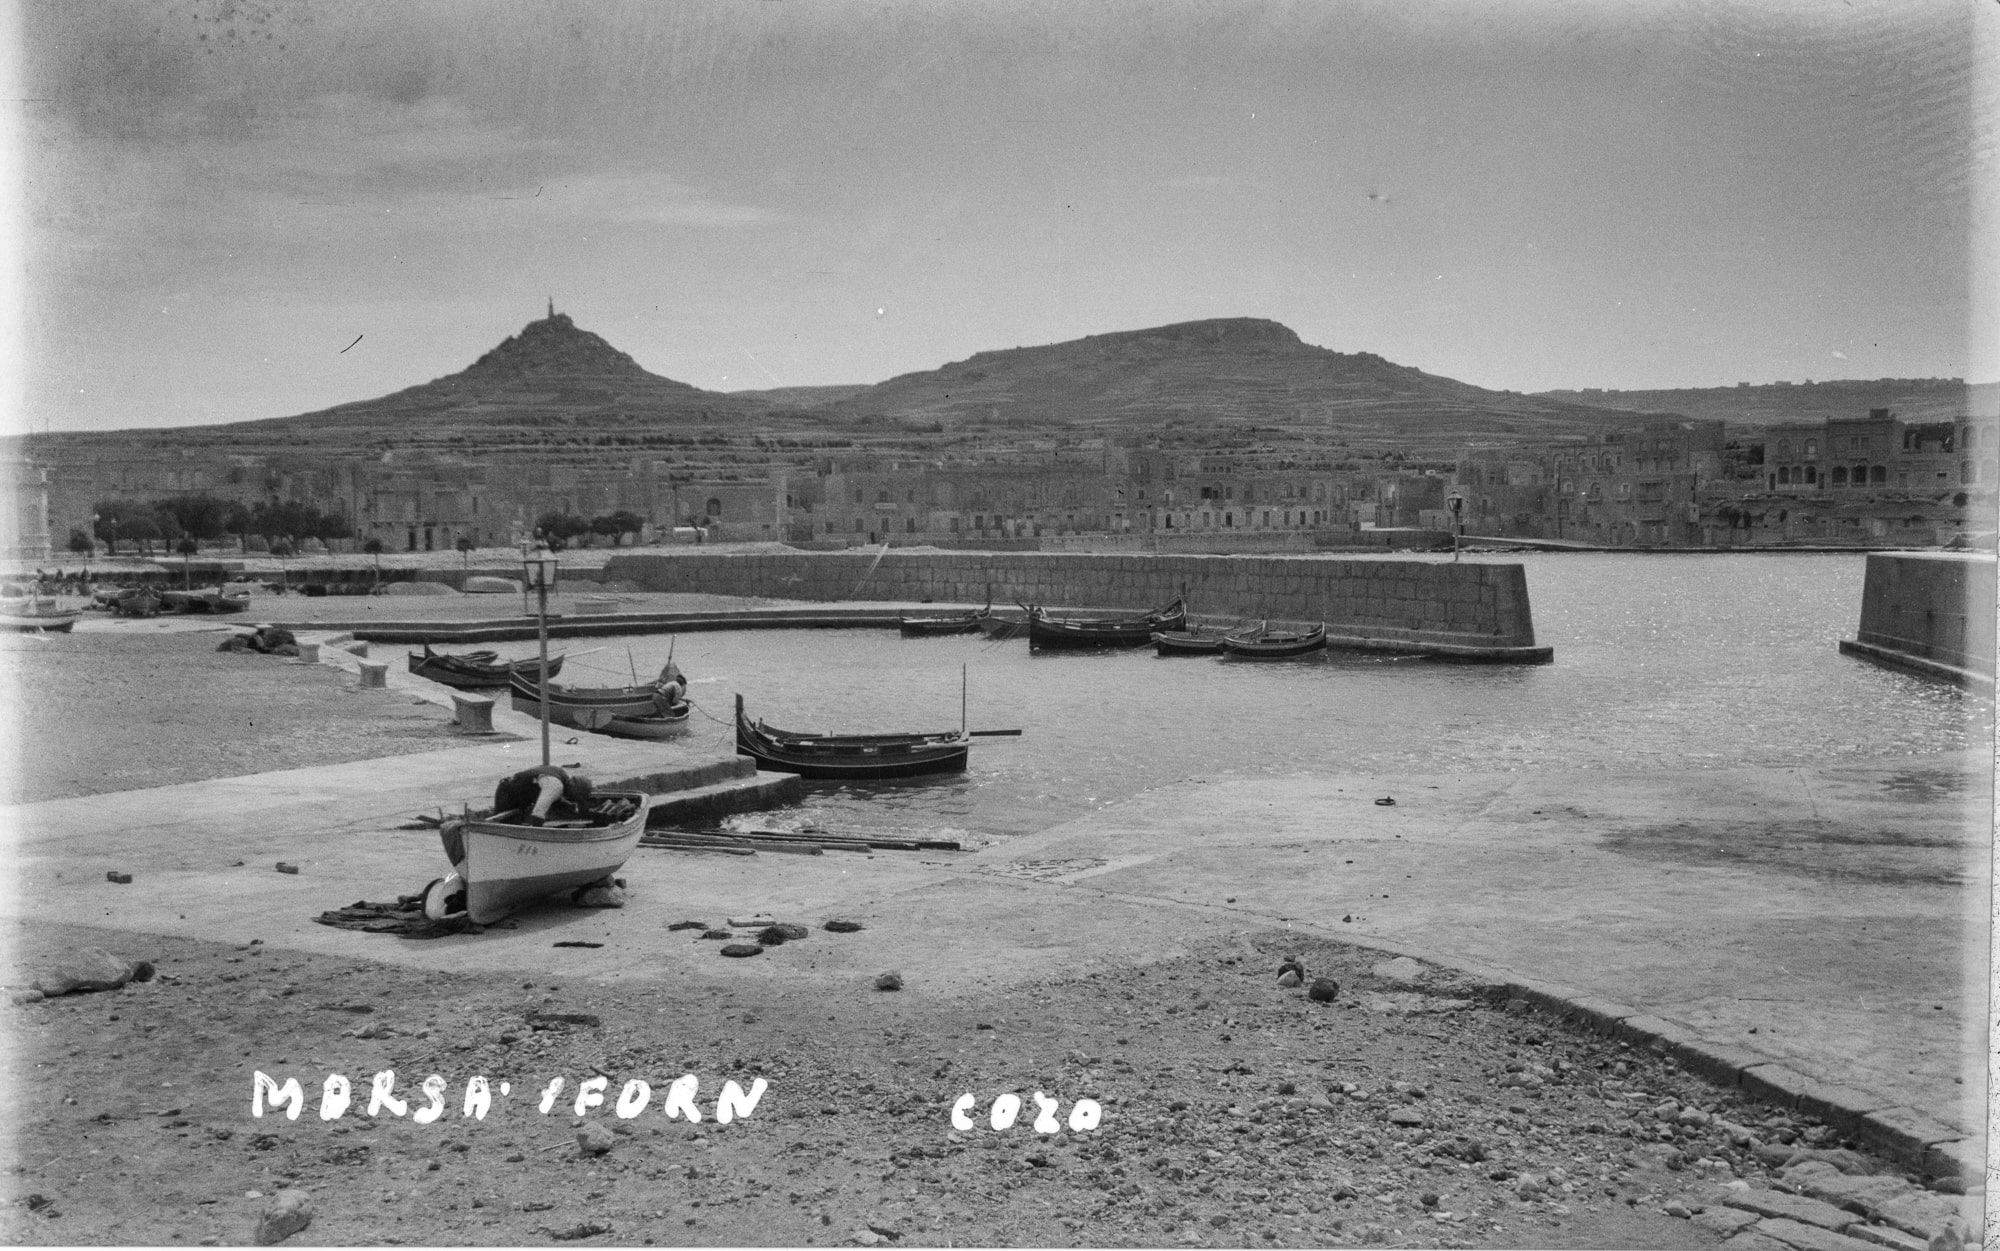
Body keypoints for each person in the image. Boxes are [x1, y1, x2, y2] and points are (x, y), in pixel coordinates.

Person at [491, 765, 595, 825]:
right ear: (574, 791)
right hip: (508, 793)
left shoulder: (561, 775)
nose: (572, 800)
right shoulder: (555, 786)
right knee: (505, 825)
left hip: (519, 793)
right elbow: (538, 814)